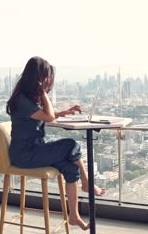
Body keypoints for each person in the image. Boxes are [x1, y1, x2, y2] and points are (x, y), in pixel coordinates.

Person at [6, 56, 106, 230]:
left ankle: (73, 215)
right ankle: (87, 181)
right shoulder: (22, 100)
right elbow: (48, 116)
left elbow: (44, 116)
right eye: (46, 77)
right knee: (70, 144)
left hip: (32, 151)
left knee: (70, 167)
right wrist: (44, 95)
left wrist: (63, 112)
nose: (48, 81)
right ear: (37, 78)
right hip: (25, 155)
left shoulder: (26, 99)